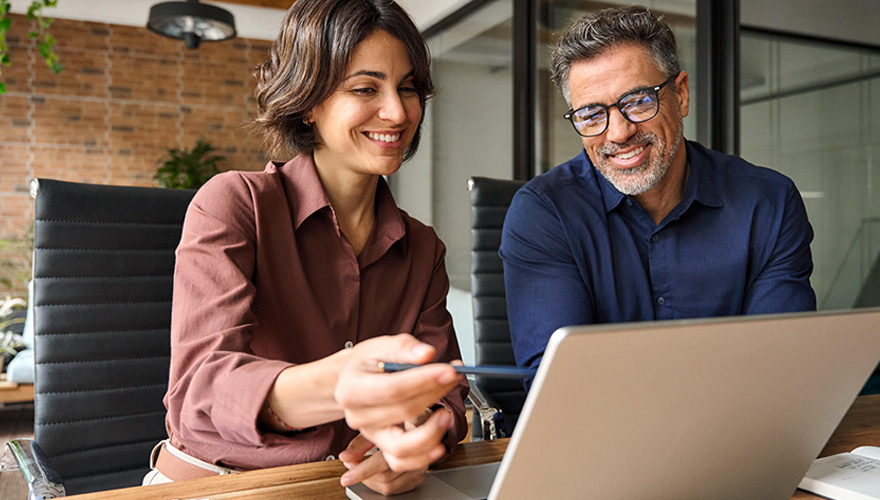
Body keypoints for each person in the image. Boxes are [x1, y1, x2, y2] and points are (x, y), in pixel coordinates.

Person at [154, 0, 468, 495]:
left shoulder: (423, 247)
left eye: (407, 88)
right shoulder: (235, 204)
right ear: (308, 101)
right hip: (221, 485)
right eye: (366, 88)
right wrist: (334, 386)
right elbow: (200, 387)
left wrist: (415, 443)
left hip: (347, 487)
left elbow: (446, 390)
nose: (397, 110)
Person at [502, 5, 816, 385]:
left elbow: (779, 366)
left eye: (637, 101)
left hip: (741, 437)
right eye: (590, 114)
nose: (617, 133)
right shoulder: (545, 214)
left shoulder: (769, 203)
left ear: (680, 95)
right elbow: (557, 383)